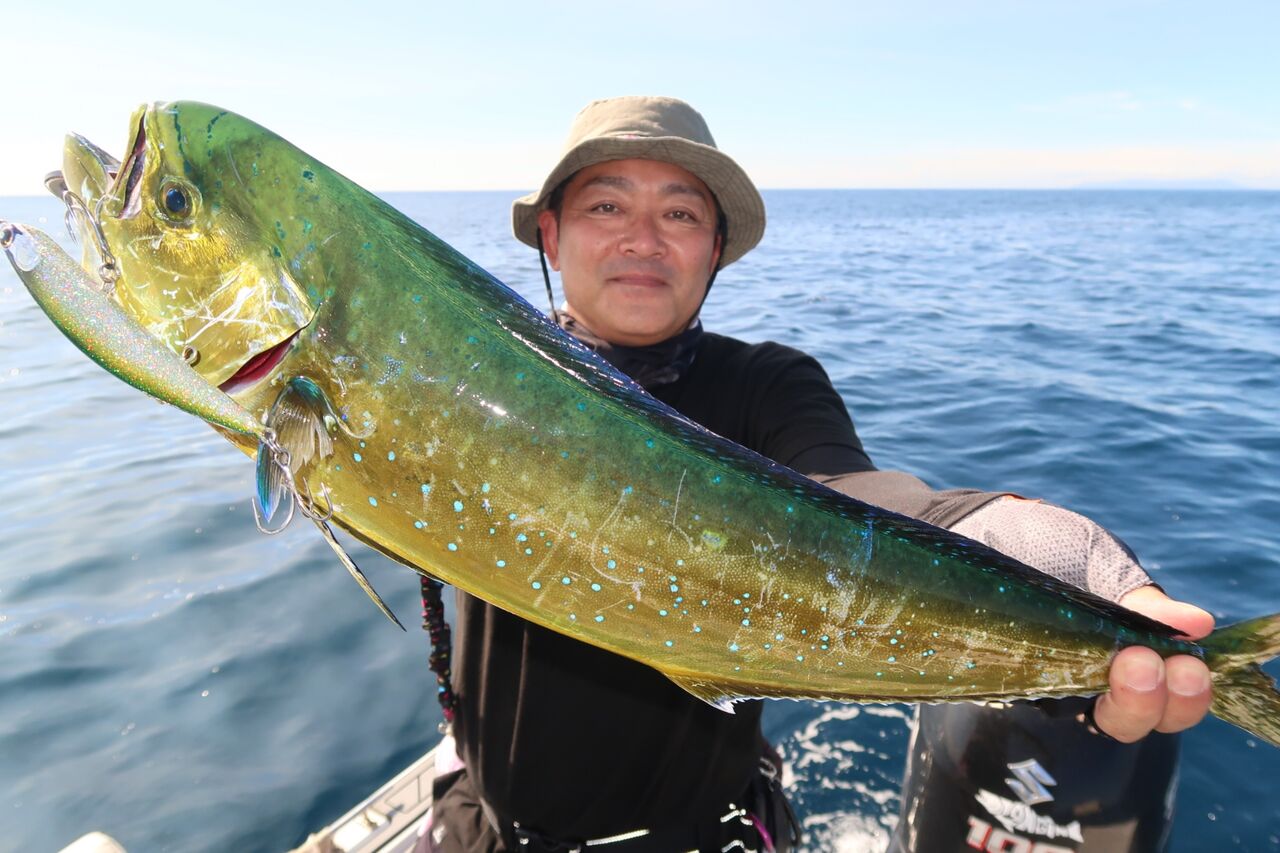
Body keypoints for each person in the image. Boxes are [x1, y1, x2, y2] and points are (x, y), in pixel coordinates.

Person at [420, 96, 1214, 853]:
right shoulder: (471, 378)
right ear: (551, 235)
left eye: (681, 214)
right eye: (606, 206)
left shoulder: (769, 385)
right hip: (484, 826)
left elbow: (855, 495)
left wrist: (1013, 538)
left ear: (714, 249)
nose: (643, 239)